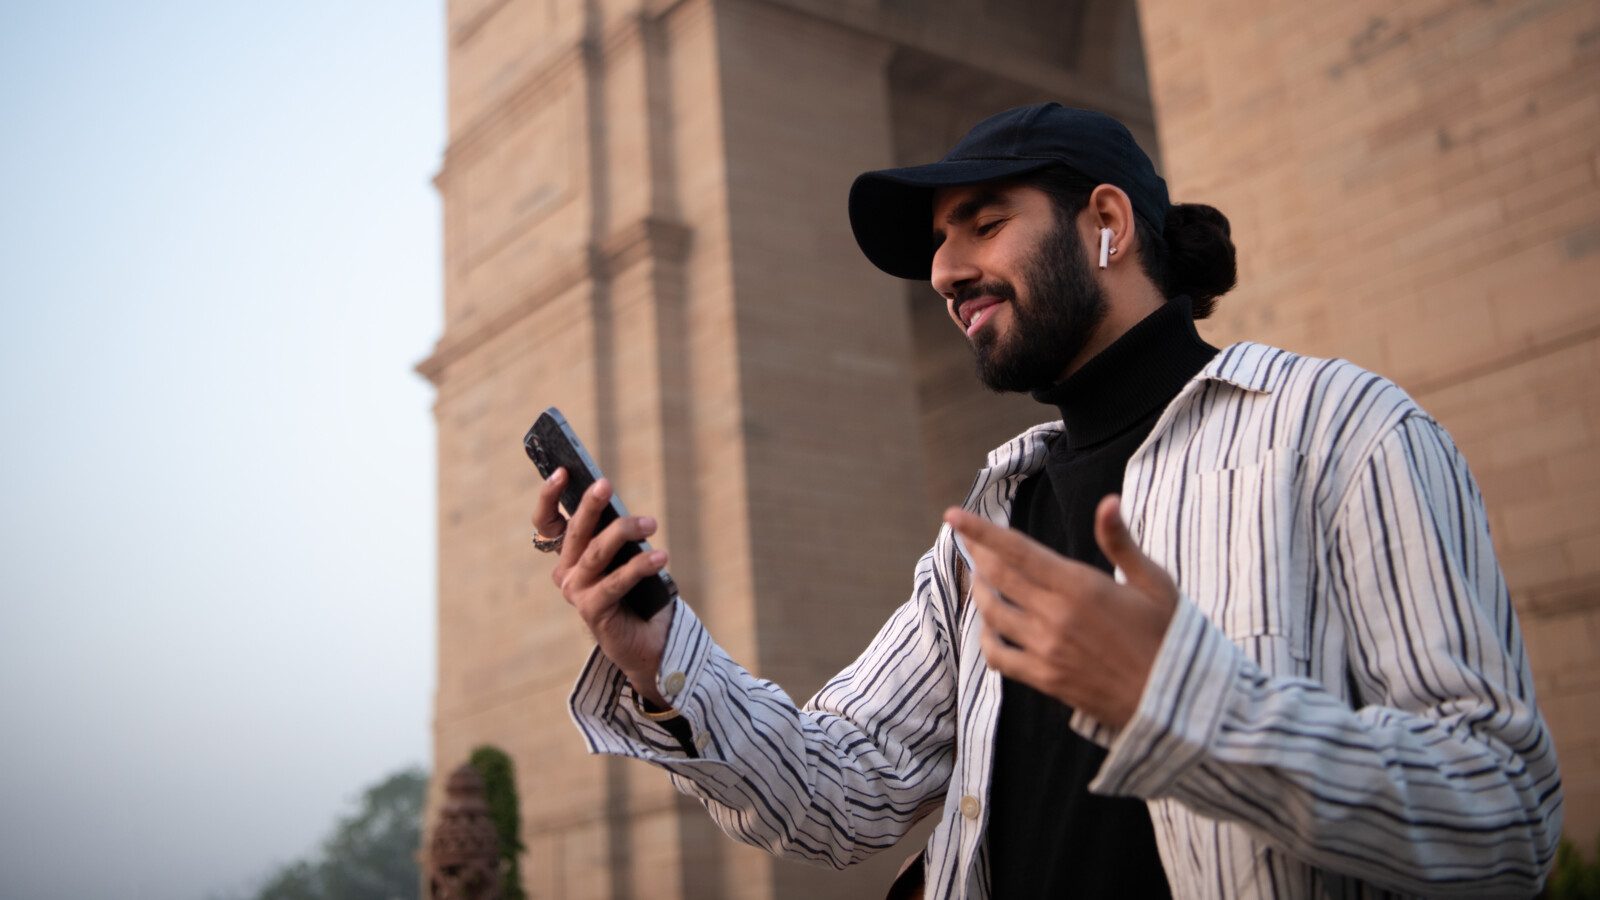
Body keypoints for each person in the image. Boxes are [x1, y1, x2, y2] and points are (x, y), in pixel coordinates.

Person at [529, 103, 1564, 899]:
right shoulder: (992, 523)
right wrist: (657, 658)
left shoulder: (1340, 430)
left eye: (983, 223)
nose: (943, 270)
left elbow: (1507, 814)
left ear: (1106, 222)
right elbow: (839, 795)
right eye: (939, 243)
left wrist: (1189, 703)